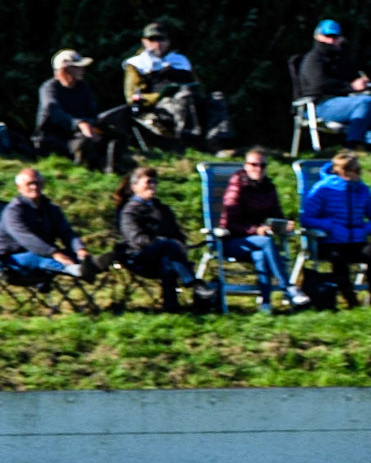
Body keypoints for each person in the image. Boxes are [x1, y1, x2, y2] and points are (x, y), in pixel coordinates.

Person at [219, 148, 310, 312]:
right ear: (246, 165)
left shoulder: (268, 187)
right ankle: (287, 287)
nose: (258, 169)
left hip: (256, 243)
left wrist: (283, 224)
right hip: (232, 241)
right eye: (254, 164)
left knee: (261, 254)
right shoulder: (237, 185)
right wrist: (255, 230)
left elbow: (276, 214)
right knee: (266, 242)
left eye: (262, 165)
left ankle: (265, 304)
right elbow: (230, 221)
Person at [116, 166, 216, 312]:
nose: (152, 185)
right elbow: (136, 239)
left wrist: (180, 244)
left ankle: (171, 307)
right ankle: (194, 284)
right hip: (139, 256)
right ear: (134, 187)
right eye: (148, 182)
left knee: (168, 261)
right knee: (168, 247)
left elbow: (177, 234)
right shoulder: (129, 211)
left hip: (166, 256)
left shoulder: (163, 209)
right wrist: (164, 243)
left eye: (155, 182)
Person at [122, 21, 234, 152]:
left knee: (217, 97)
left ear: (168, 41)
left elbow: (198, 84)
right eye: (152, 39)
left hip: (191, 98)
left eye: (161, 39)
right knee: (184, 96)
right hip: (160, 105)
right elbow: (131, 96)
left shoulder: (180, 60)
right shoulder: (137, 64)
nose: (157, 43)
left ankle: (217, 141)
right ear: (144, 41)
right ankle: (187, 142)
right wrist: (161, 95)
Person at [299, 151, 371, 308]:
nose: (359, 174)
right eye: (356, 170)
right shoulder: (322, 189)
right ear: (343, 171)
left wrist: (365, 230)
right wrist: (330, 226)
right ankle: (349, 297)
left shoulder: (363, 190)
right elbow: (306, 218)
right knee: (337, 256)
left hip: (356, 240)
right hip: (329, 241)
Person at [298, 19, 371, 154]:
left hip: (345, 102)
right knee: (365, 102)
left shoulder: (342, 58)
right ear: (318, 37)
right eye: (328, 36)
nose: (331, 40)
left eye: (335, 37)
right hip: (320, 105)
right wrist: (351, 87)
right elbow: (318, 85)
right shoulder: (313, 59)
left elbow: (354, 79)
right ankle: (351, 145)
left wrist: (367, 85)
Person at [34, 49, 130, 172]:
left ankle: (112, 167)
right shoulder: (49, 88)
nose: (82, 70)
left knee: (115, 135)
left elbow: (92, 112)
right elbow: (55, 113)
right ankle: (87, 166)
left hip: (81, 133)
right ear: (65, 69)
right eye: (77, 67)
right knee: (84, 142)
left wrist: (91, 127)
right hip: (54, 138)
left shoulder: (83, 87)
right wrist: (79, 124)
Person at [0, 169, 100, 281]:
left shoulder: (51, 209)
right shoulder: (13, 212)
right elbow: (27, 239)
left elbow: (66, 232)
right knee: (39, 257)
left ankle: (93, 265)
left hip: (47, 254)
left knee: (72, 255)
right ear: (19, 187)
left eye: (37, 183)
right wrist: (54, 253)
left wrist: (80, 249)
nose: (34, 187)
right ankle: (75, 269)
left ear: (42, 185)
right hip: (13, 261)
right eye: (29, 184)